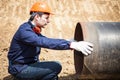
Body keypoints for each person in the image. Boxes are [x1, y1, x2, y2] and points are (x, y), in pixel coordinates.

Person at [7, 1, 93, 80]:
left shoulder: (32, 29)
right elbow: (45, 42)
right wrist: (71, 45)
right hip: (20, 69)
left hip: (28, 65)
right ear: (37, 17)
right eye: (46, 18)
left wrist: (68, 41)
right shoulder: (25, 31)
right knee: (56, 66)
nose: (49, 21)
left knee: (53, 77)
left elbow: (45, 39)